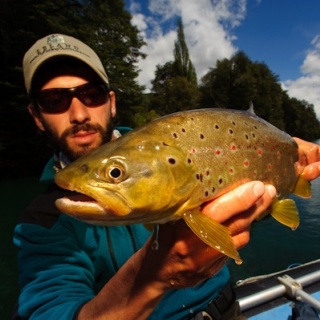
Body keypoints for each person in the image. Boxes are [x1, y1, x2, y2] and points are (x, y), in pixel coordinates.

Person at [13, 34, 320, 320]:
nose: (78, 113)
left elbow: (243, 199)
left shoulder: (166, 144)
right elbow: (52, 310)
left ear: (112, 101)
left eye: (91, 94)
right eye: (55, 100)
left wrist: (281, 160)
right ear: (36, 117)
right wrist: (155, 275)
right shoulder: (41, 223)